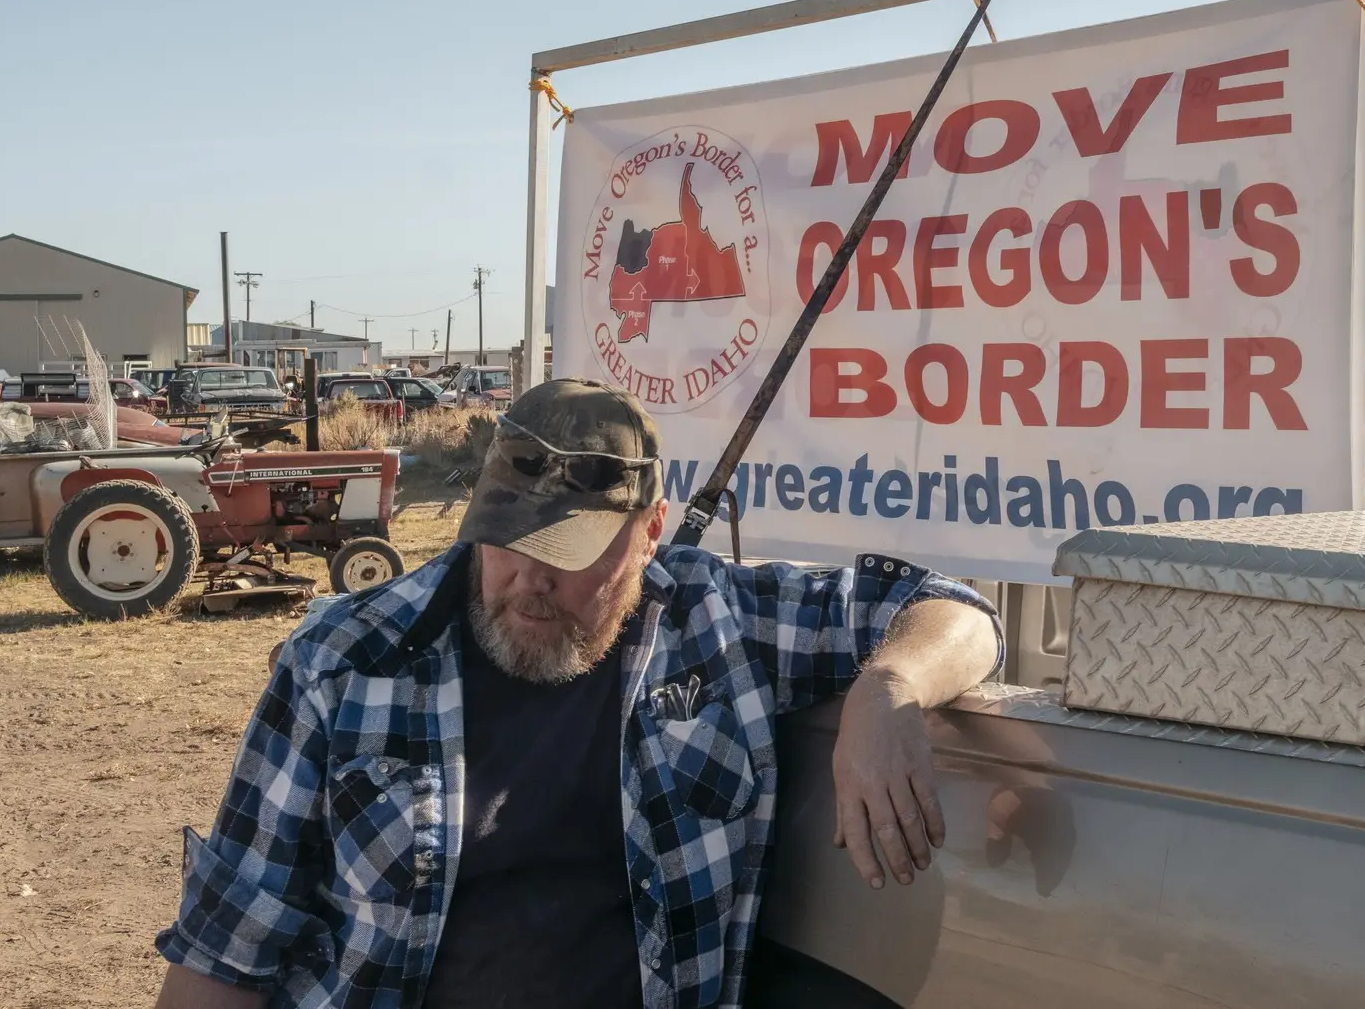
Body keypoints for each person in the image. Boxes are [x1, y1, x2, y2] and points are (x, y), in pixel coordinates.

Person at [154, 377, 1003, 1009]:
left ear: (652, 533)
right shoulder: (343, 661)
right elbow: (225, 952)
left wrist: (889, 688)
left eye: (570, 552)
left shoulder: (719, 623)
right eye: (507, 537)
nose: (528, 578)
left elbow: (954, 610)